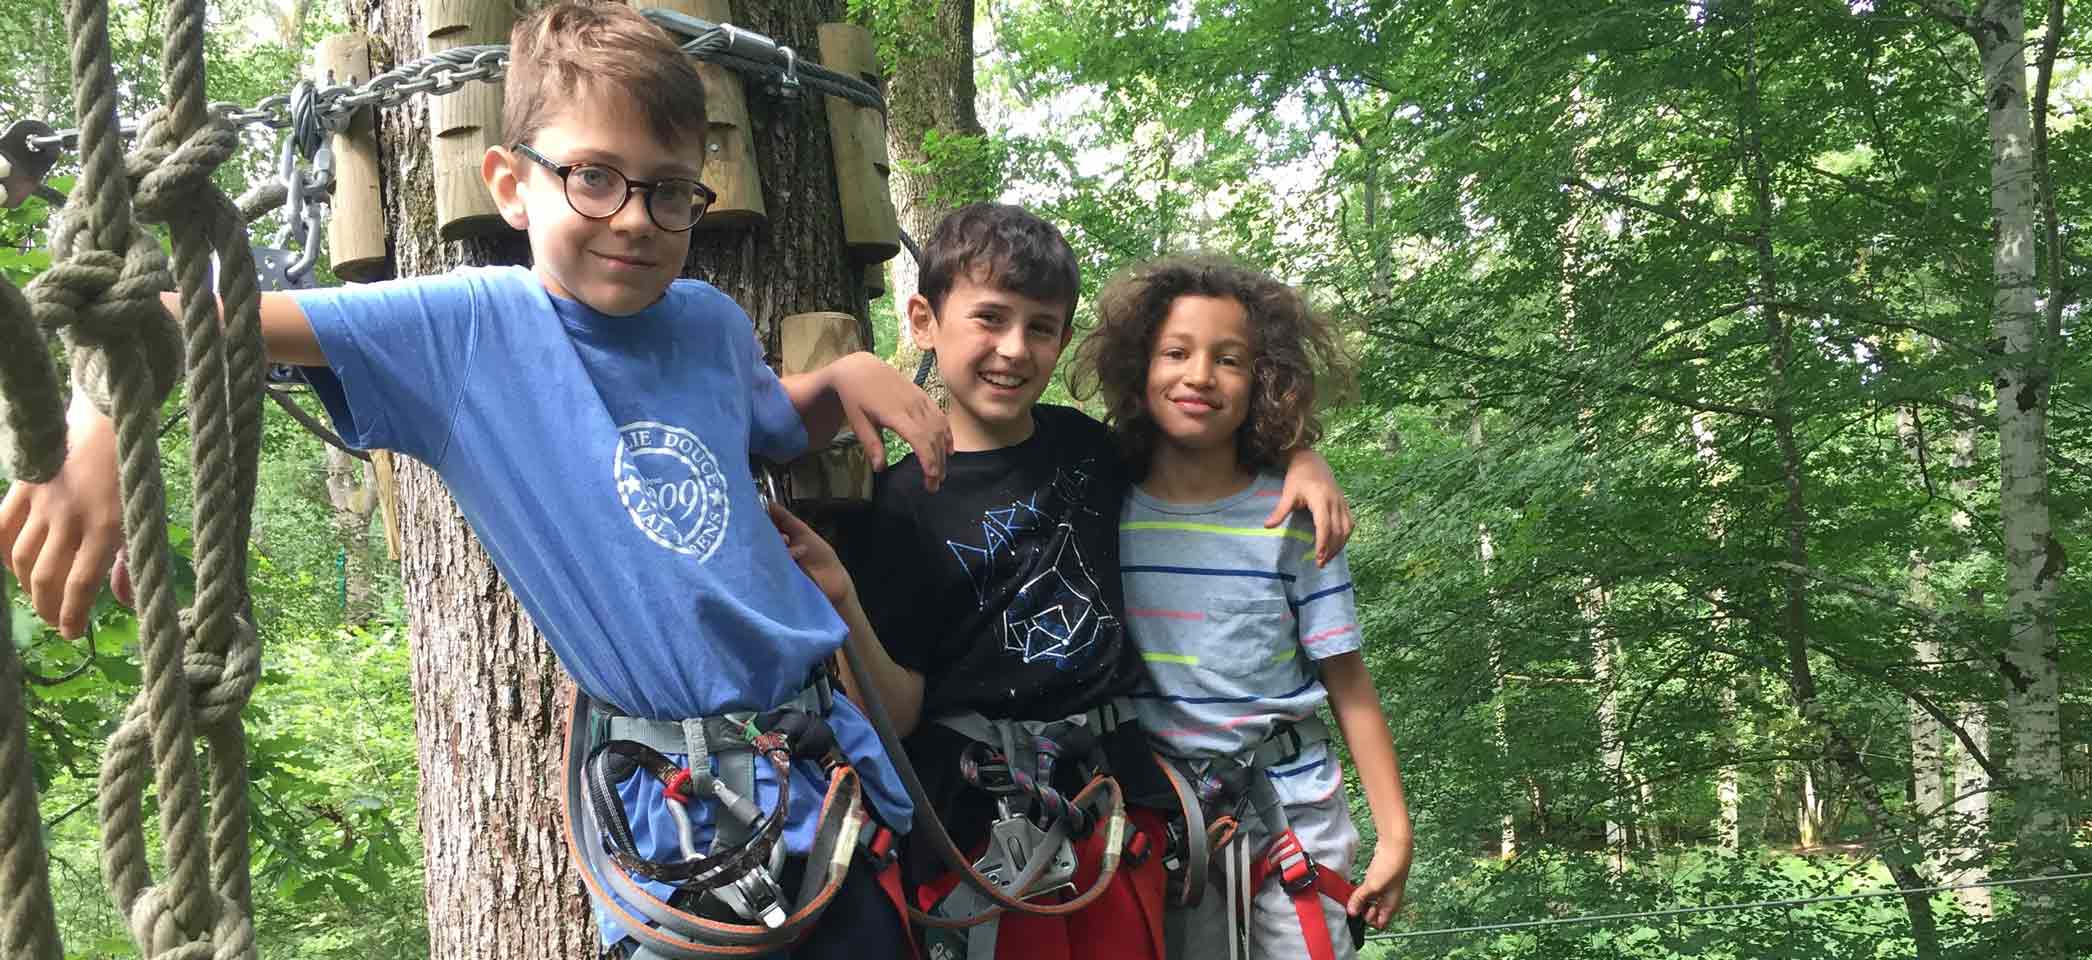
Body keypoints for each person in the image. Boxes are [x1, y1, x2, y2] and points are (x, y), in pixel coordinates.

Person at [0, 3, 942, 957]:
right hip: (683, 823)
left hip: (826, 779)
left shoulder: (706, 321)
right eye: (593, 178)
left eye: (669, 193)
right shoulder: (466, 333)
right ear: (510, 183)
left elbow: (765, 420)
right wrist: (96, 427)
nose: (634, 219)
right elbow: (181, 317)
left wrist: (835, 383)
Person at [782, 203, 1355, 960]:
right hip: (980, 829)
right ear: (923, 320)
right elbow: (902, 708)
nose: (1013, 349)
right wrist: (846, 602)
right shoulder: (898, 507)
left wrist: (1300, 456)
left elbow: (1206, 448)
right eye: (989, 319)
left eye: (1041, 327)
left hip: (1117, 810)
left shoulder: (1090, 451)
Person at [1070, 254, 1412, 960]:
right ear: (1138, 368)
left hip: (1289, 815)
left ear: (1263, 382)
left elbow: (1348, 681)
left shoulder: (1292, 517)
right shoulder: (1102, 511)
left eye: (1229, 360)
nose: (1199, 375)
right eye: (1176, 352)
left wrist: (1395, 834)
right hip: (1153, 822)